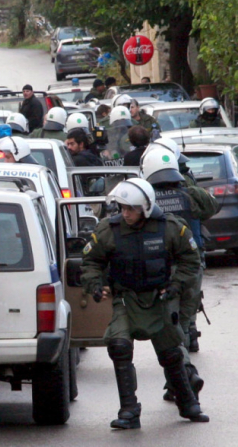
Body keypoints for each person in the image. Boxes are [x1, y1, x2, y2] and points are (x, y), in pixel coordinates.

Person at [81, 178, 209, 429]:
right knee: (118, 345)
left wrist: (175, 285)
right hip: (126, 299)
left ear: (146, 208)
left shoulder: (170, 227)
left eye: (131, 208)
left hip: (160, 299)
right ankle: (129, 411)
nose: (125, 213)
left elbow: (190, 260)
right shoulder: (110, 229)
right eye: (122, 208)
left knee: (172, 353)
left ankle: (188, 403)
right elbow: (91, 262)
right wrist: (94, 285)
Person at [140, 148, 219, 362]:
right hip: (191, 265)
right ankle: (182, 371)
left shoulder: (146, 199)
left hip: (161, 268)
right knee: (183, 319)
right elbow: (213, 208)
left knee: (168, 324)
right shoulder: (190, 193)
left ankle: (181, 374)